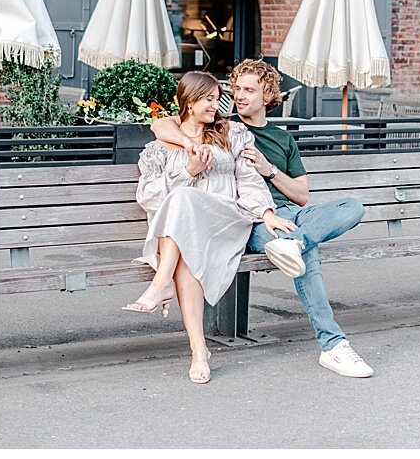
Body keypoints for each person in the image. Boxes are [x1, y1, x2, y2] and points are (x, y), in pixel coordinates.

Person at [153, 59, 373, 378]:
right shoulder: (220, 126)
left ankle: (294, 242)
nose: (239, 96)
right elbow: (162, 125)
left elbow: (301, 194)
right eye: (236, 89)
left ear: (267, 94)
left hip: (293, 215)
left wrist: (268, 169)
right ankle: (334, 345)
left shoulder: (283, 139)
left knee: (352, 206)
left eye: (248, 90)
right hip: (251, 221)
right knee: (306, 255)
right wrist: (190, 144)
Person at [123, 71, 293, 385]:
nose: (216, 105)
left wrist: (267, 213)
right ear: (188, 100)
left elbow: (250, 179)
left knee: (185, 197)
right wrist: (188, 170)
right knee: (186, 248)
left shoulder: (231, 133)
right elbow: (149, 198)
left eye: (217, 98)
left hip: (227, 221)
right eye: (208, 99)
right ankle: (199, 350)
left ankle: (160, 286)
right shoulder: (159, 147)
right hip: (185, 234)